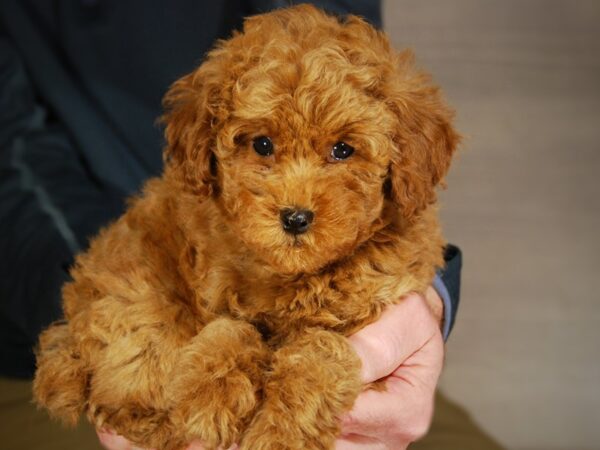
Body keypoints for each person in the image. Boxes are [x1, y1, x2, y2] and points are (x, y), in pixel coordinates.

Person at [0, 2, 495, 449]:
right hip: (67, 315)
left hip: (327, 359)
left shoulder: (388, 125)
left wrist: (427, 306)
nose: (296, 202)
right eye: (261, 146)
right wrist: (107, 316)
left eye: (341, 151)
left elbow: (339, 34)